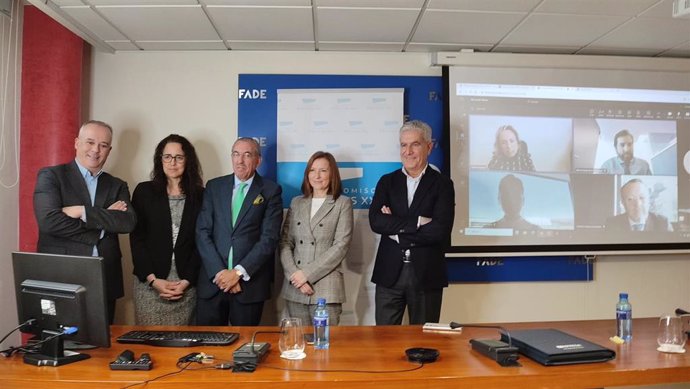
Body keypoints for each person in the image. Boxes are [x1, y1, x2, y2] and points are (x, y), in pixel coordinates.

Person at [33, 120, 137, 324]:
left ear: (109, 150)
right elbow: (49, 222)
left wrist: (82, 211)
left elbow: (127, 222)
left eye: (103, 145)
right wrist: (103, 223)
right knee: (60, 343)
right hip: (62, 275)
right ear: (77, 143)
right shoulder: (52, 176)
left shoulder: (117, 185)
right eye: (90, 142)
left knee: (103, 349)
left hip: (105, 279)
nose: (96, 150)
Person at [369, 120, 455, 325]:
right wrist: (417, 222)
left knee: (424, 345)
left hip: (426, 275)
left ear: (429, 146)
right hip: (389, 274)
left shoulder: (443, 184)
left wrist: (395, 228)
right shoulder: (386, 182)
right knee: (384, 344)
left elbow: (439, 230)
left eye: (415, 144)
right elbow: (376, 221)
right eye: (403, 145)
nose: (408, 151)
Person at [196, 137, 283, 326]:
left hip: (248, 287)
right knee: (206, 349)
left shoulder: (270, 191)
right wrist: (220, 274)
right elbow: (202, 232)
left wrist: (237, 274)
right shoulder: (214, 187)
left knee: (244, 349)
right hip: (213, 283)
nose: (239, 160)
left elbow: (269, 238)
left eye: (247, 155)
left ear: (258, 160)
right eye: (236, 154)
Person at [129, 134, 204, 325]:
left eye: (179, 157)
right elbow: (137, 240)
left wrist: (187, 281)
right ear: (159, 159)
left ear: (188, 161)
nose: (173, 162)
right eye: (167, 156)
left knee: (185, 349)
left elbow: (202, 242)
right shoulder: (144, 192)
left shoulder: (201, 195)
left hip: (186, 287)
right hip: (150, 285)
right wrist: (153, 281)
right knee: (150, 347)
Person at [279, 151, 353, 326]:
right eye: (312, 170)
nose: (317, 176)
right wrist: (296, 277)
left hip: (326, 289)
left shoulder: (342, 203)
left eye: (323, 171)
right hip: (295, 289)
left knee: (325, 347)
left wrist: (307, 275)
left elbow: (341, 245)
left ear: (332, 174)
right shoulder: (297, 202)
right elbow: (285, 242)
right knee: (298, 347)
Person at [605, 178, 671, 232]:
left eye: (642, 198)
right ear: (623, 203)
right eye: (630, 199)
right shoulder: (612, 223)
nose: (637, 204)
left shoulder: (663, 223)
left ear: (649, 200)